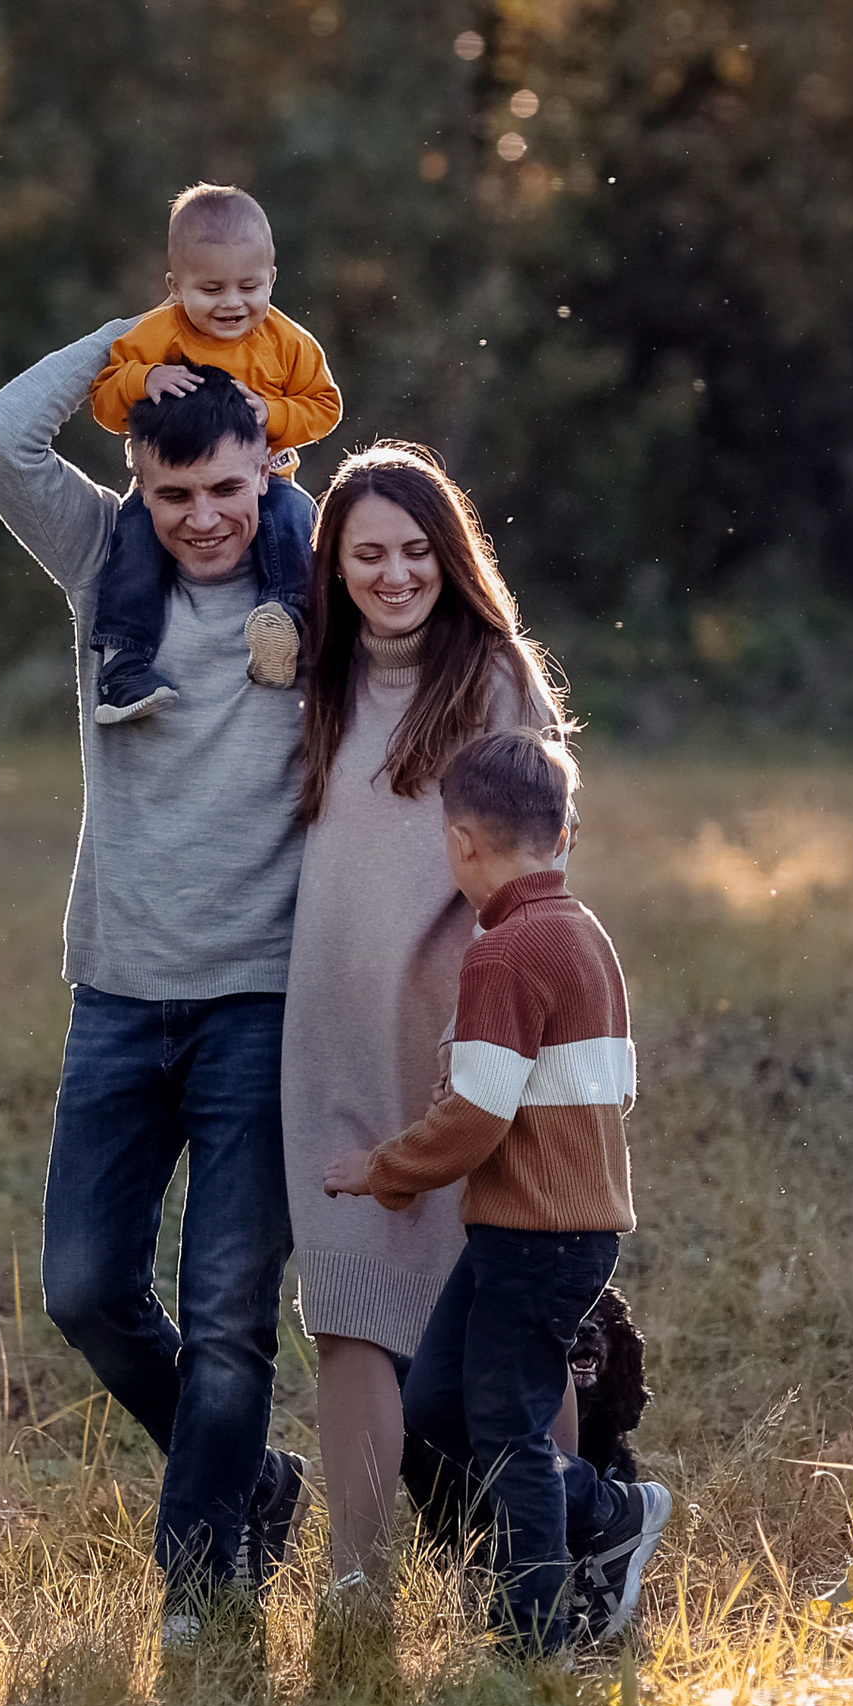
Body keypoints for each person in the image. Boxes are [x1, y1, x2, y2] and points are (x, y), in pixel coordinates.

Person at [0, 326, 310, 1634]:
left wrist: (243, 344)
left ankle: (201, 1576)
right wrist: (136, 338)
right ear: (138, 487)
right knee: (85, 1289)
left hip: (260, 996)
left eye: (227, 488)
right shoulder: (106, 560)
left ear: (268, 469)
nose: (204, 518)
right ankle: (251, 1481)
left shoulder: (307, 564)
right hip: (119, 989)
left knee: (230, 1309)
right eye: (174, 496)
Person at [281, 443, 573, 1596]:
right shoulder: (316, 679)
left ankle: (548, 1562)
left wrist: (516, 1006)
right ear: (336, 567)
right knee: (347, 1309)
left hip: (469, 1037)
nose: (394, 576)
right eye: (368, 556)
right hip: (332, 1037)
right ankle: (358, 1588)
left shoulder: (496, 676)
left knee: (498, 1316)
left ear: (450, 559)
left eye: (415, 552)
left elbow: (548, 861)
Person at [326, 730, 668, 1655]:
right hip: (537, 1229)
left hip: (542, 1234)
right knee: (438, 1407)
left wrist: (384, 1169)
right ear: (564, 833)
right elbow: (613, 1081)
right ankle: (609, 1510)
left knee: (509, 1432)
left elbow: (477, 1117)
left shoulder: (507, 953)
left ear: (461, 842)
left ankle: (536, 1634)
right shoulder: (583, 933)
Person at [86, 181, 342, 722]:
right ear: (175, 287)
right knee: (133, 541)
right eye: (211, 289)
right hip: (167, 485)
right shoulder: (151, 337)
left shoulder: (289, 342)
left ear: (272, 278)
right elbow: (105, 405)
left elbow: (324, 406)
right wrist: (143, 377)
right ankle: (124, 663)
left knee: (296, 519)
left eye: (249, 286)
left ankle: (285, 624)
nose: (232, 304)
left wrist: (273, 415)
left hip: (268, 479)